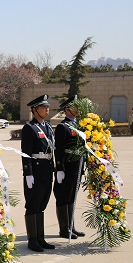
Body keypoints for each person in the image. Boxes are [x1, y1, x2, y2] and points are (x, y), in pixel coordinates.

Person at [21, 94, 56, 252]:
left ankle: (40, 238)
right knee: (33, 204)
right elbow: (25, 152)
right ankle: (32, 240)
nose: (47, 109)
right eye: (43, 107)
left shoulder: (47, 127)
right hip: (35, 171)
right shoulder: (30, 128)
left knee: (42, 204)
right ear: (35, 110)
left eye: (47, 107)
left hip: (47, 169)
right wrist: (28, 173)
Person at [53, 95, 86, 239]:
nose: (78, 109)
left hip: (77, 167)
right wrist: (59, 168)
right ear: (67, 110)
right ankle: (64, 229)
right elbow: (58, 149)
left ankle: (71, 226)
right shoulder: (62, 127)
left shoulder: (80, 125)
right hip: (67, 166)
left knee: (72, 196)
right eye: (74, 107)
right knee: (63, 197)